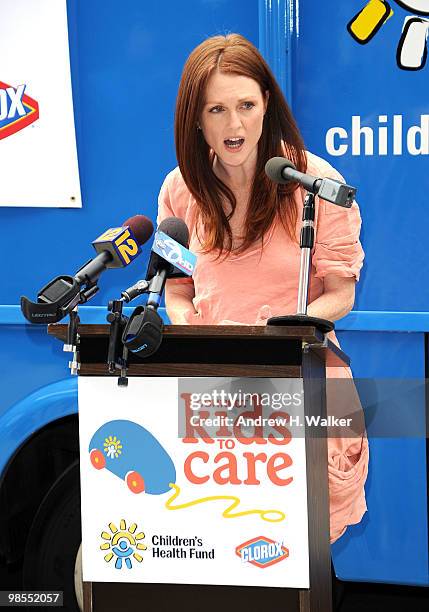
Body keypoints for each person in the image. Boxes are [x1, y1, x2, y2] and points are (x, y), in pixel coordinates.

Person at [157, 33, 368, 543]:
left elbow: (342, 292)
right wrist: (184, 321)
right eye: (217, 109)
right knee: (227, 544)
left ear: (266, 103)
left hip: (300, 384)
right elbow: (177, 287)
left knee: (302, 551)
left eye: (246, 105)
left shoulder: (315, 182)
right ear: (196, 118)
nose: (234, 125)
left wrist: (288, 329)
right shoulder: (178, 189)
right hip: (215, 391)